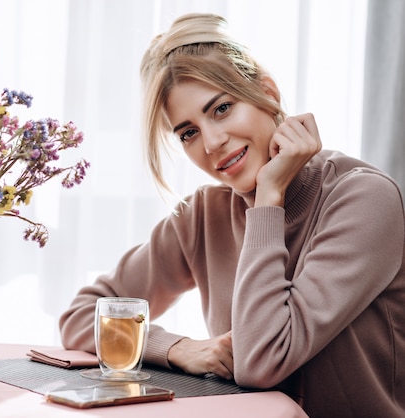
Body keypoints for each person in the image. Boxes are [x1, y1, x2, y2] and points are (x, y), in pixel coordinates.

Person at [59, 12, 405, 418]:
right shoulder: (203, 214)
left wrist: (269, 198)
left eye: (221, 108)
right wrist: (175, 348)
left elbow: (262, 361)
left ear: (268, 93)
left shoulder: (363, 197)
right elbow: (84, 315)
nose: (212, 142)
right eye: (188, 132)